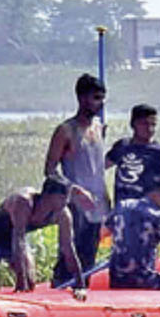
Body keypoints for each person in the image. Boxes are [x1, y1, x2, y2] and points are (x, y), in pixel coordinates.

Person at [45, 74, 111, 286]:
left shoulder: (99, 127)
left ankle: (83, 292)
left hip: (97, 202)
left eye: (102, 98)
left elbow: (97, 167)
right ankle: (59, 292)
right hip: (74, 204)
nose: (100, 103)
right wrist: (74, 190)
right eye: (96, 98)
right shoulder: (66, 131)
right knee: (69, 253)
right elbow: (50, 170)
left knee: (89, 254)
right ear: (82, 98)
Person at [0, 175, 92, 293]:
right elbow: (19, 240)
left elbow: (68, 248)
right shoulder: (23, 202)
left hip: (15, 239)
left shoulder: (63, 214)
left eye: (67, 198)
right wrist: (20, 283)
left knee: (30, 283)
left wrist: (80, 285)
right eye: (63, 198)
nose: (66, 202)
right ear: (48, 196)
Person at [105, 103, 160, 206]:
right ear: (133, 124)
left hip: (147, 210)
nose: (149, 129)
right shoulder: (122, 146)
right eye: (144, 124)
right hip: (121, 209)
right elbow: (100, 168)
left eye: (153, 125)